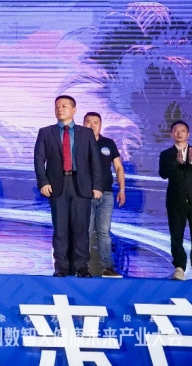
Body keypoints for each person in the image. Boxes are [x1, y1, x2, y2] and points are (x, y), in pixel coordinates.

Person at [34, 95, 102, 278]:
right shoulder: (46, 132)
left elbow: (95, 160)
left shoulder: (85, 133)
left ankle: (82, 267)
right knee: (60, 228)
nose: (60, 109)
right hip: (57, 185)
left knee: (81, 228)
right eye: (57, 106)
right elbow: (39, 159)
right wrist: (43, 182)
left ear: (74, 110)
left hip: (82, 185)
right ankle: (61, 267)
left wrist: (97, 185)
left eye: (64, 106)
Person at [159, 120, 192, 282]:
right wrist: (175, 163)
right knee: (176, 234)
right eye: (176, 130)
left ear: (188, 134)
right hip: (175, 200)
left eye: (182, 130)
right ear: (171, 134)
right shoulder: (166, 154)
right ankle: (179, 268)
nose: (179, 133)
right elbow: (163, 173)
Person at [83, 112, 126, 279]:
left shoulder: (108, 143)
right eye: (89, 122)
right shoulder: (79, 143)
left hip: (107, 194)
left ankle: (106, 268)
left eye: (96, 122)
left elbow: (119, 167)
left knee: (104, 232)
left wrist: (122, 190)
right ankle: (83, 267)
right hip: (85, 195)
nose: (92, 125)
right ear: (83, 124)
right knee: (86, 232)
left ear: (101, 125)